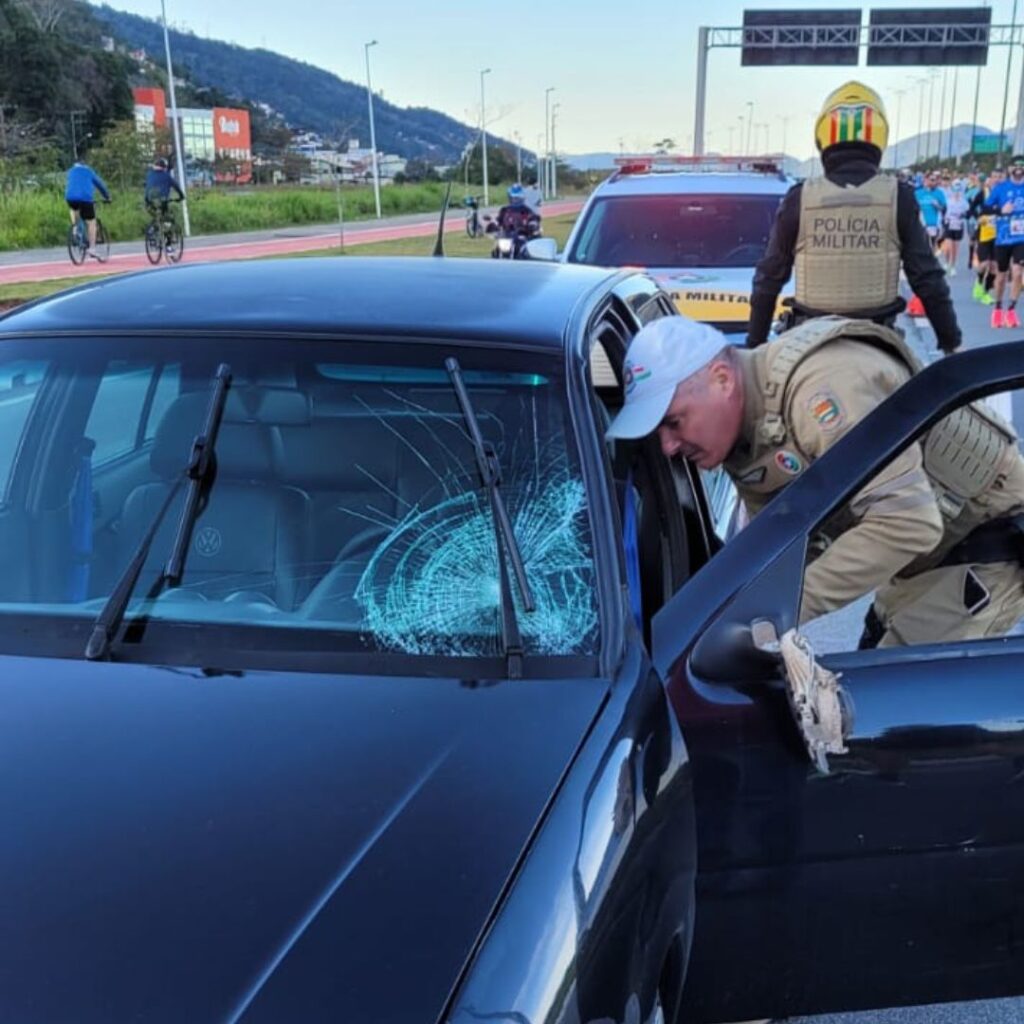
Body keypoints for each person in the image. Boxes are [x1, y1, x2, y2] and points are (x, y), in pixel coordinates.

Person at [606, 314, 1024, 648]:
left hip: (987, 538)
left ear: (721, 379)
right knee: (874, 673)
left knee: (898, 715)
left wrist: (779, 608)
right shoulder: (741, 433)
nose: (667, 446)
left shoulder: (819, 392)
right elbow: (786, 543)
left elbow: (910, 524)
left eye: (674, 422)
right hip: (926, 556)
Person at [747, 83, 961, 356]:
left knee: (771, 397)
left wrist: (755, 346)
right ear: (879, 138)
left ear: (823, 138)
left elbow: (768, 277)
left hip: (808, 345)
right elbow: (927, 278)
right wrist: (951, 343)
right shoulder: (899, 197)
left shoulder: (799, 198)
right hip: (880, 343)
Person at [983, 155, 1024, 329]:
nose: (1019, 168)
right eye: (1015, 166)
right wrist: (1001, 210)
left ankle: (1011, 309)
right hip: (1003, 238)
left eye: (1022, 166)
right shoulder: (1001, 188)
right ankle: (998, 308)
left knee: (1018, 272)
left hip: (1021, 238)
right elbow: (986, 207)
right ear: (1010, 169)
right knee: (1001, 277)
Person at [64, 159, 111, 256]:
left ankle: (76, 228)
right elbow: (100, 185)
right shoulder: (89, 171)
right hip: (85, 198)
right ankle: (92, 249)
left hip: (70, 197)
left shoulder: (71, 171)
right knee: (91, 222)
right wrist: (107, 196)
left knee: (74, 209)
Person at [968, 171, 998, 305]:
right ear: (989, 180)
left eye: (999, 177)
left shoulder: (1005, 194)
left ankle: (986, 293)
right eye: (994, 177)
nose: (996, 180)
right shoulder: (983, 193)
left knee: (994, 267)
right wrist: (979, 218)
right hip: (984, 233)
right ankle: (979, 282)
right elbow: (971, 209)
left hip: (1000, 234)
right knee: (984, 264)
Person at [915, 171, 948, 259]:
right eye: (932, 180)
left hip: (934, 224)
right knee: (922, 247)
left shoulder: (939, 193)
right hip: (920, 225)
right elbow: (912, 208)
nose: (935, 182)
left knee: (932, 247)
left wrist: (937, 206)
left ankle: (931, 264)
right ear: (926, 180)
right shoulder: (918, 193)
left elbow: (944, 209)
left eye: (936, 180)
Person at [940, 180, 969, 275]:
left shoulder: (964, 202)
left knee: (955, 248)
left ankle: (952, 266)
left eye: (959, 189)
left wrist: (963, 215)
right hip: (949, 225)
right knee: (948, 246)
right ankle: (946, 262)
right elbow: (943, 212)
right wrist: (944, 223)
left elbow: (967, 213)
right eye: (955, 189)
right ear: (952, 189)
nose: (957, 192)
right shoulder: (948, 201)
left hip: (959, 226)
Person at [144, 157, 184, 221]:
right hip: (162, 201)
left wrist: (146, 200)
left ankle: (154, 227)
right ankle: (163, 226)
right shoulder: (167, 176)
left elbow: (147, 187)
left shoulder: (149, 174)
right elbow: (176, 187)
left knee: (157, 218)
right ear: (164, 167)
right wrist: (181, 196)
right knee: (166, 217)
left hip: (149, 202)